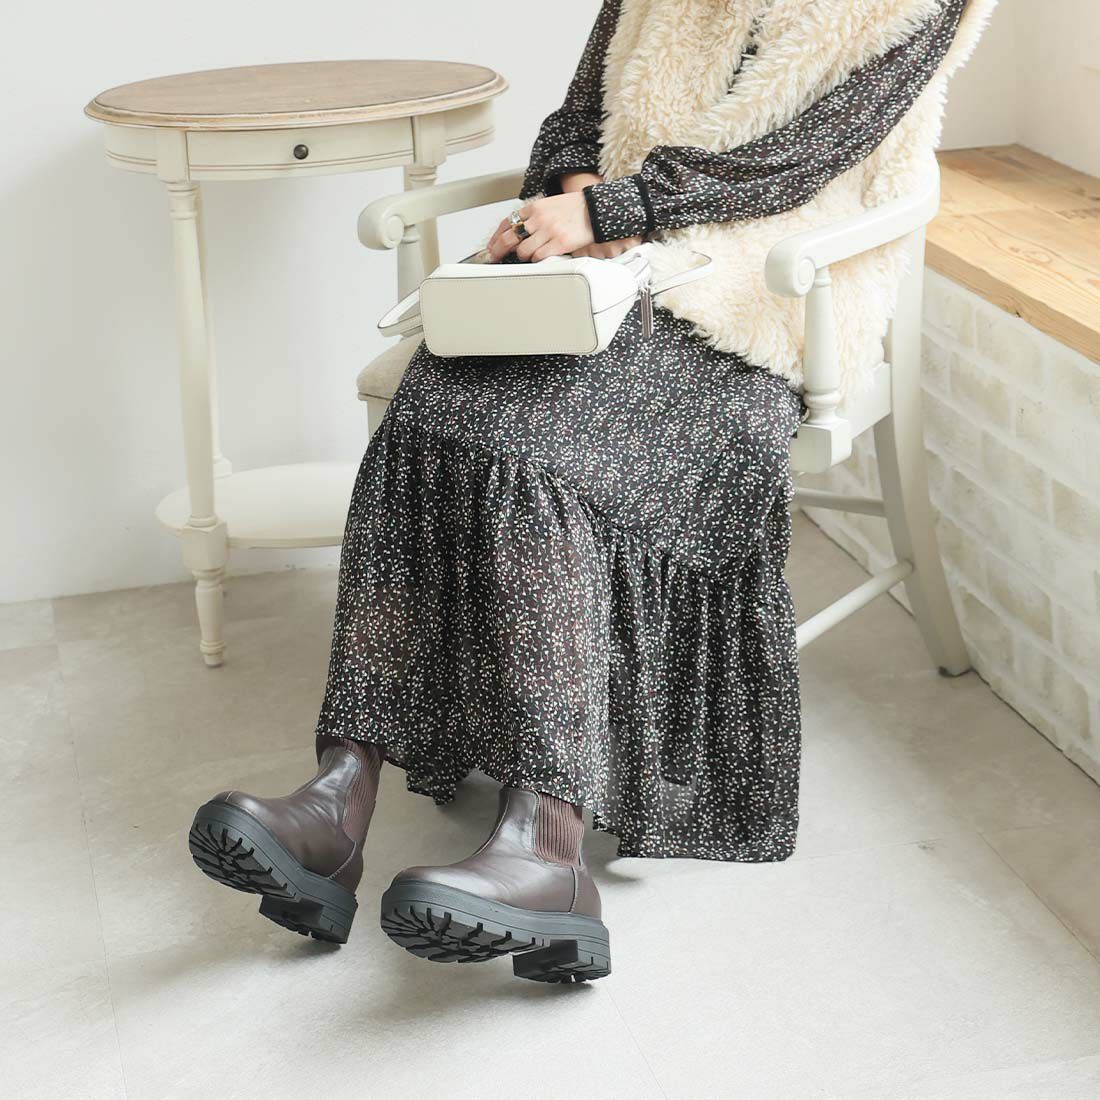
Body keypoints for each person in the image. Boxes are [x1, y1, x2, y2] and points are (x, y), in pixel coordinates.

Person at [189, 0, 982, 983]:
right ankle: (337, 799)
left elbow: (801, 157)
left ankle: (547, 844)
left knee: (543, 450)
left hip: (752, 296)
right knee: (429, 411)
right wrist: (575, 205)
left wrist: (615, 213)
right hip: (607, 272)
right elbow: (576, 119)